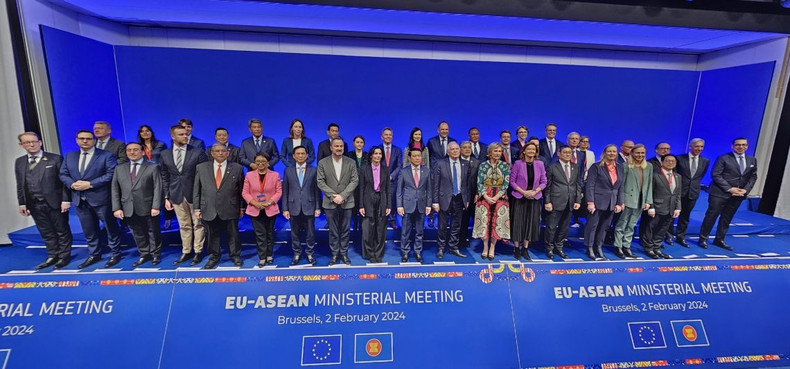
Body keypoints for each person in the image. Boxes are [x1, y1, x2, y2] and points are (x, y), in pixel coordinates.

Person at [59, 130, 121, 269]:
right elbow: (63, 174)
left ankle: (115, 253)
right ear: (77, 140)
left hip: (101, 199)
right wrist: (71, 184)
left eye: (88, 138)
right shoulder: (70, 156)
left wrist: (90, 184)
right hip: (80, 199)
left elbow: (111, 174)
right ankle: (94, 254)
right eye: (82, 138)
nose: (85, 141)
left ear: (94, 140)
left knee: (110, 227)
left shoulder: (106, 155)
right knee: (89, 230)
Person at [15, 132, 72, 270]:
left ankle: (64, 256)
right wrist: (22, 203)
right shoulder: (20, 162)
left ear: (40, 142)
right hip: (34, 203)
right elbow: (20, 184)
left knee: (61, 230)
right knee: (45, 231)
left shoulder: (55, 159)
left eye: (34, 141)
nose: (31, 144)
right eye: (27, 142)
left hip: (55, 202)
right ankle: (52, 254)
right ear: (21, 145)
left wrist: (66, 200)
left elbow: (64, 182)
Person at [161, 124, 209, 266]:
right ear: (173, 136)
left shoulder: (198, 152)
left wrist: (202, 195)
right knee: (184, 225)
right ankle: (186, 251)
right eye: (181, 134)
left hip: (195, 194)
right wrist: (166, 197)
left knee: (198, 224)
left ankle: (198, 251)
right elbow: (164, 176)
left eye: (186, 134)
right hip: (176, 194)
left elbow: (204, 175)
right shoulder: (165, 154)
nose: (185, 136)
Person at [698, 138, 757, 251]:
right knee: (711, 216)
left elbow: (753, 176)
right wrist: (730, 189)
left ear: (747, 146)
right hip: (719, 193)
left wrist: (745, 190)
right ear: (732, 146)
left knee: (727, 218)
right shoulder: (723, 158)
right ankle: (703, 238)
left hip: (738, 195)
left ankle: (719, 239)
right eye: (738, 145)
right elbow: (716, 175)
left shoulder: (752, 160)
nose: (741, 147)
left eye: (743, 145)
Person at [193, 143, 245, 269]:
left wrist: (242, 207)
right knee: (212, 234)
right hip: (209, 207)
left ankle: (235, 255)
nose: (220, 153)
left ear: (228, 153)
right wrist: (197, 208)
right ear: (212, 153)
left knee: (233, 233)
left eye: (223, 151)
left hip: (230, 207)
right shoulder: (201, 167)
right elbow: (197, 189)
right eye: (217, 151)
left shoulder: (237, 168)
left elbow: (241, 189)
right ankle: (214, 257)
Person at [111, 143, 163, 267]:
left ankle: (155, 254)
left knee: (153, 231)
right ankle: (144, 254)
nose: (132, 152)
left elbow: (158, 188)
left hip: (148, 206)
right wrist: (117, 208)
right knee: (137, 232)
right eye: (129, 150)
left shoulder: (153, 167)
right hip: (128, 207)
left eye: (135, 150)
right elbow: (115, 189)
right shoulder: (119, 168)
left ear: (143, 152)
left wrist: (156, 206)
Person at [317, 137, 359, 265]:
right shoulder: (323, 163)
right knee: (333, 231)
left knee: (345, 230)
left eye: (341, 146)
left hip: (347, 202)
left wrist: (343, 196)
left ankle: (344, 254)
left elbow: (354, 180)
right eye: (336, 146)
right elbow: (320, 181)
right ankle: (335, 254)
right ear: (331, 147)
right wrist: (333, 196)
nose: (339, 148)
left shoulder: (351, 162)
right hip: (330, 203)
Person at [612, 144, 653, 259]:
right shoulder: (625, 166)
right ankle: (618, 246)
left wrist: (648, 201)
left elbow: (649, 185)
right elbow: (620, 185)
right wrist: (620, 201)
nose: (640, 155)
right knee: (622, 223)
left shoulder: (648, 166)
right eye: (638, 153)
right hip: (627, 199)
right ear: (632, 153)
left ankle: (626, 246)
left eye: (642, 153)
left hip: (640, 201)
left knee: (631, 225)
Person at [282, 146, 322, 265]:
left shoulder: (313, 170)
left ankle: (310, 253)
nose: (300, 156)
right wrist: (285, 209)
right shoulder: (287, 170)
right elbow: (285, 191)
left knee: (310, 233)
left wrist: (318, 207)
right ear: (293, 156)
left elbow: (317, 191)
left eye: (303, 153)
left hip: (309, 206)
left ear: (307, 155)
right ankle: (297, 253)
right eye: (298, 154)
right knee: (294, 233)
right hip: (293, 206)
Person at [584, 144, 624, 261]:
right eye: (609, 151)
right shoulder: (596, 167)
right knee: (592, 226)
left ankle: (599, 247)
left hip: (611, 202)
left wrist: (619, 203)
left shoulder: (620, 168)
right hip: (597, 201)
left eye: (614, 151)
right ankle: (589, 247)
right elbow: (590, 185)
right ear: (604, 153)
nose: (612, 153)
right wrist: (590, 202)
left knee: (604, 227)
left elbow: (621, 187)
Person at [431, 141, 471, 259]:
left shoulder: (466, 164)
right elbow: (435, 184)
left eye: (457, 149)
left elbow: (467, 184)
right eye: (452, 149)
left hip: (460, 198)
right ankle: (441, 248)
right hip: (444, 199)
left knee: (456, 225)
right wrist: (435, 201)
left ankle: (453, 247)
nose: (455, 151)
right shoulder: (440, 163)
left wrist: (467, 199)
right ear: (448, 152)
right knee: (442, 226)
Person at [242, 153, 282, 267]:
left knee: (269, 233)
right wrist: (255, 203)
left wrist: (268, 202)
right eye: (258, 161)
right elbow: (245, 192)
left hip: (270, 208)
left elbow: (278, 192)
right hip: (255, 208)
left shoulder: (275, 175)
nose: (260, 164)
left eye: (263, 161)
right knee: (260, 234)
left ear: (268, 163)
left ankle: (269, 255)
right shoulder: (249, 175)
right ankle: (262, 257)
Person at [473, 143, 511, 260]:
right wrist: (486, 196)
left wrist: (497, 196)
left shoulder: (505, 166)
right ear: (490, 153)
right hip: (485, 195)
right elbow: (479, 182)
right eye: (495, 151)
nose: (498, 153)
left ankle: (492, 248)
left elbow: (506, 183)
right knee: (485, 223)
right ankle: (485, 247)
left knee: (497, 223)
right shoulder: (483, 165)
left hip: (500, 196)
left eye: (500, 151)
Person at [508, 143, 546, 260]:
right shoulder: (518, 164)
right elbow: (512, 181)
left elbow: (544, 181)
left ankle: (525, 249)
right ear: (524, 151)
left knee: (530, 224)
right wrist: (524, 192)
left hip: (534, 198)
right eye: (528, 149)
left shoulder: (540, 164)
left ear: (536, 152)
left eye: (533, 150)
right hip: (519, 197)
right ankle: (516, 249)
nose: (531, 151)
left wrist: (534, 192)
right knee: (518, 223)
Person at [543, 146, 582, 259]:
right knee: (551, 227)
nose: (567, 154)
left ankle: (559, 247)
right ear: (559, 154)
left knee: (564, 227)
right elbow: (547, 186)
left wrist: (578, 200)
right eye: (565, 152)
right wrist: (547, 201)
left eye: (569, 152)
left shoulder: (576, 167)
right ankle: (549, 248)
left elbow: (577, 185)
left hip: (570, 202)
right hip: (555, 202)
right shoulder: (552, 167)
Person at [397, 148, 431, 263]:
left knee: (420, 231)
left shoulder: (426, 170)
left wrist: (428, 205)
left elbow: (429, 190)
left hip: (421, 205)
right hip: (407, 205)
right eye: (415, 156)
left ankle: (417, 251)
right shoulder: (403, 171)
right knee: (405, 231)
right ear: (409, 158)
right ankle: (405, 252)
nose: (417, 158)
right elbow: (399, 190)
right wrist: (399, 205)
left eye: (419, 156)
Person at [674, 138, 710, 247]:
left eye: (701, 147)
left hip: (693, 193)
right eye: (697, 146)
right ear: (691, 147)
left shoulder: (705, 161)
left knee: (685, 216)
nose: (699, 149)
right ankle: (668, 236)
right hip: (678, 192)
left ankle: (680, 237)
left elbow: (699, 176)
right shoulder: (680, 158)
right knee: (670, 215)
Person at [644, 155, 681, 259]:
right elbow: (649, 191)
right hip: (657, 207)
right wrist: (651, 206)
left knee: (663, 229)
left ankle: (657, 247)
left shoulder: (678, 176)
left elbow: (678, 194)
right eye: (668, 161)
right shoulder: (655, 175)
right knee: (651, 228)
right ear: (662, 162)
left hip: (671, 208)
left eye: (673, 161)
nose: (670, 163)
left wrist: (678, 208)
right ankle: (649, 248)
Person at [359, 147, 391, 263]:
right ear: (371, 156)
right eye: (375, 153)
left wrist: (388, 205)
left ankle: (378, 253)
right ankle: (369, 253)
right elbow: (361, 188)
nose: (378, 156)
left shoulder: (385, 169)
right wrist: (361, 205)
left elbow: (388, 188)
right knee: (368, 228)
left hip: (381, 199)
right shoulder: (364, 169)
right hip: (368, 199)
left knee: (380, 229)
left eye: (380, 154)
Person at [380, 127, 402, 229]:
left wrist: (391, 176)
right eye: (386, 135)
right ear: (382, 137)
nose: (388, 137)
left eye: (390, 135)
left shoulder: (397, 150)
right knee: (381, 200)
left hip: (393, 180)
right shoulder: (377, 149)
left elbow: (399, 166)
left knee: (392, 200)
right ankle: (382, 220)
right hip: (380, 180)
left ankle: (392, 220)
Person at [459, 141, 480, 248]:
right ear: (460, 149)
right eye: (464, 147)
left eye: (469, 147)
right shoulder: (456, 161)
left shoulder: (476, 162)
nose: (467, 149)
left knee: (472, 218)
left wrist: (477, 193)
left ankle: (472, 239)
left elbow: (479, 180)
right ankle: (461, 239)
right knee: (462, 219)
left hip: (473, 196)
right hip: (461, 196)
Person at [346, 135, 368, 232]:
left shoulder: (367, 155)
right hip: (353, 184)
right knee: (354, 205)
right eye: (357, 142)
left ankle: (363, 225)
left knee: (363, 204)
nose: (359, 144)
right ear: (353, 143)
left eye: (361, 142)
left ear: (364, 144)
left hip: (365, 184)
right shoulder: (348, 155)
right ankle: (354, 224)